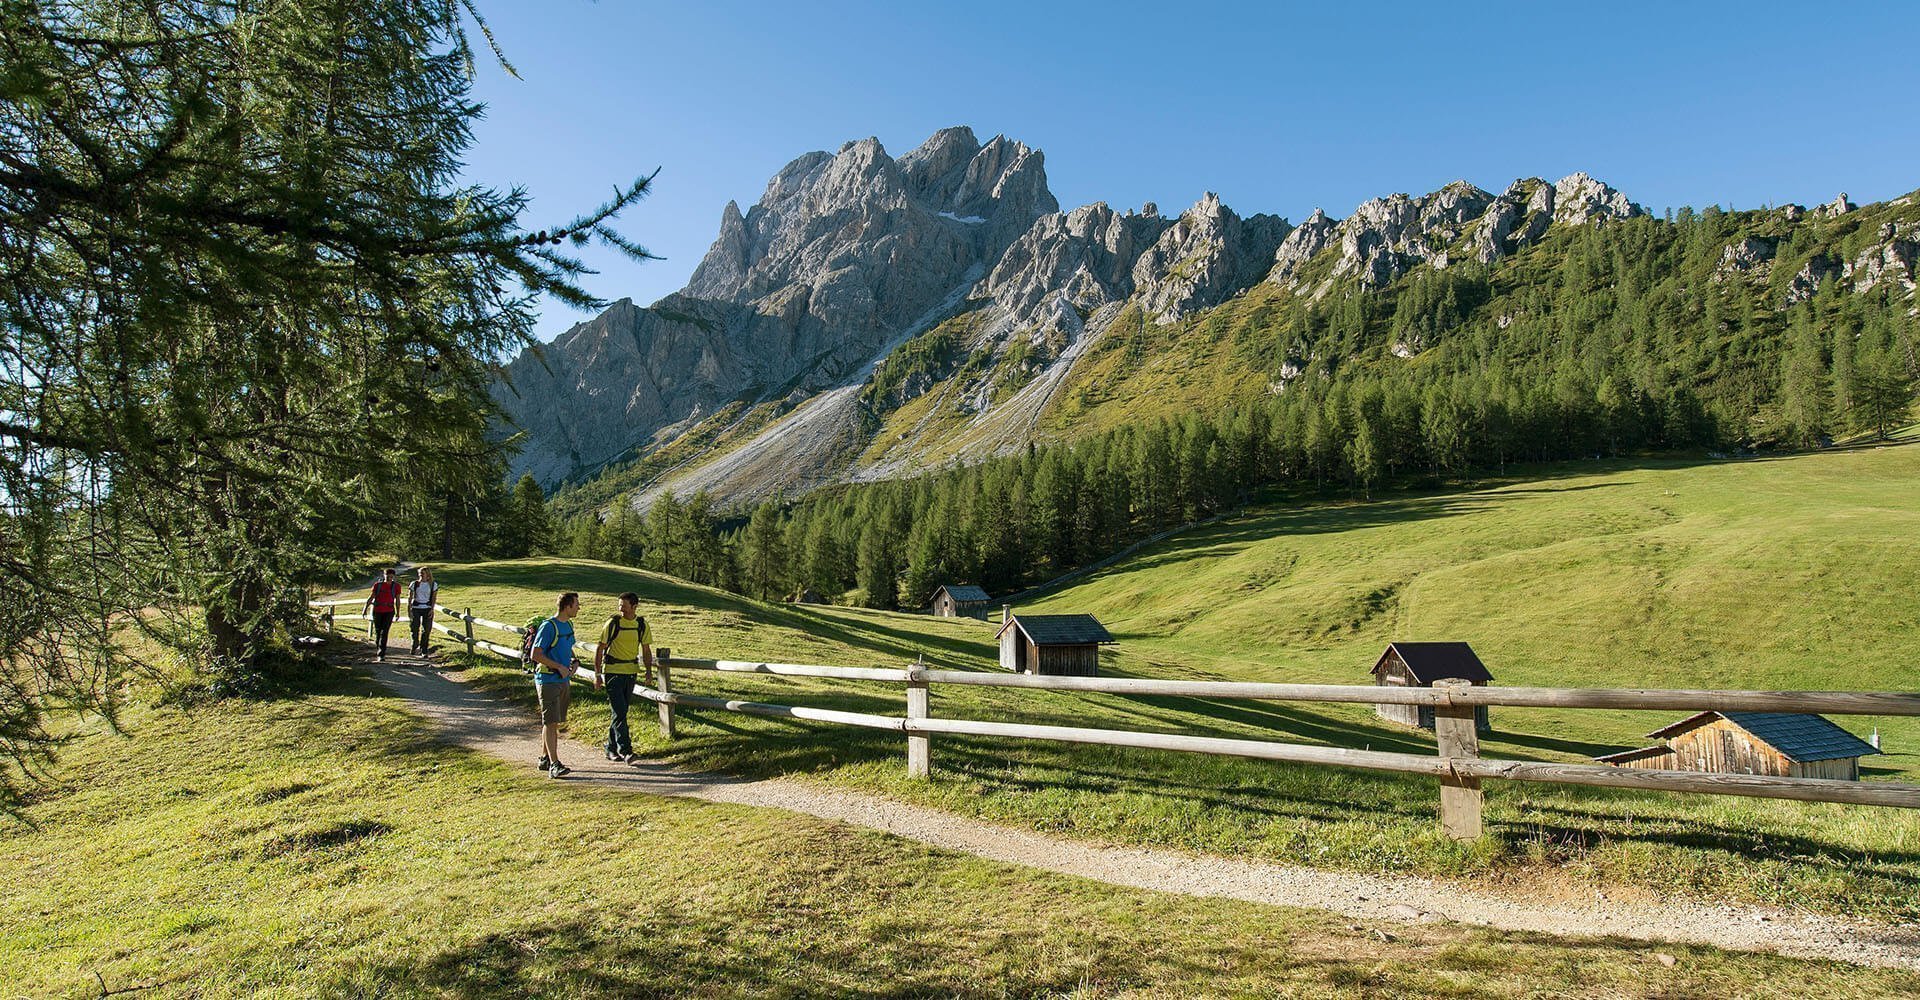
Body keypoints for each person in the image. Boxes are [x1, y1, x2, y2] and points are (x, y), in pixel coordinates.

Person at [592, 591, 654, 763]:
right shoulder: (612, 623)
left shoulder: (641, 624)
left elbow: (646, 650)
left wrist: (648, 672)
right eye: (620, 607)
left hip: (631, 672)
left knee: (620, 712)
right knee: (620, 711)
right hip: (612, 672)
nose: (621, 610)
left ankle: (610, 748)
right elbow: (600, 648)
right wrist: (597, 674)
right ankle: (626, 751)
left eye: (624, 607)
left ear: (635, 607)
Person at [529, 592, 580, 778]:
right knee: (551, 722)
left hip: (563, 680)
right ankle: (555, 765)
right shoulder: (549, 627)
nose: (579, 608)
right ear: (567, 606)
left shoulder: (568, 625)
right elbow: (535, 654)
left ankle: (544, 758)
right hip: (548, 680)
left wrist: (574, 661)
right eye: (576, 604)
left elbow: (568, 648)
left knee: (553, 722)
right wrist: (559, 666)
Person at [362, 568, 401, 661]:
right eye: (388, 576)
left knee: (385, 632)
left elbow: (398, 600)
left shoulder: (396, 586)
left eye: (391, 577)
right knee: (378, 631)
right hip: (378, 610)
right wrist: (365, 609)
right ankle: (378, 646)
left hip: (389, 611)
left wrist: (398, 612)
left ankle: (381, 653)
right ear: (384, 575)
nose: (389, 579)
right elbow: (371, 597)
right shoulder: (378, 585)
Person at [407, 567, 438, 656]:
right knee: (414, 627)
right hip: (416, 607)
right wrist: (409, 609)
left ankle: (424, 649)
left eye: (422, 573)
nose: (421, 575)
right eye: (420, 573)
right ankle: (414, 644)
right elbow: (410, 597)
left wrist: (432, 609)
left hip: (427, 608)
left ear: (427, 574)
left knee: (426, 629)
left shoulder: (433, 585)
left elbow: (434, 598)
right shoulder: (414, 584)